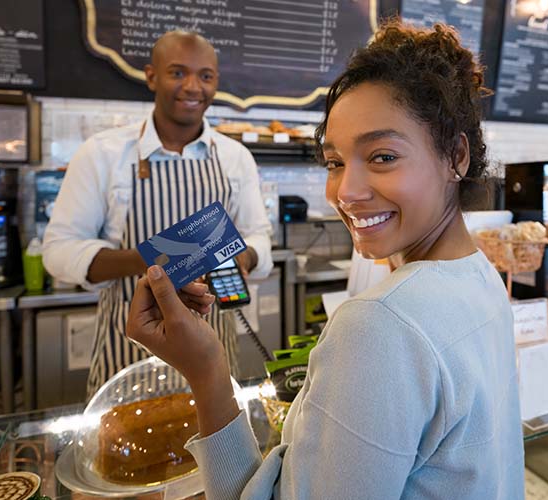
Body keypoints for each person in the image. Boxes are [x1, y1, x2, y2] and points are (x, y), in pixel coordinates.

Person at [126, 21, 524, 499]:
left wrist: (208, 370)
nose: (346, 193)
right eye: (335, 162)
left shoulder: (380, 325)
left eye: (381, 156)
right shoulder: (481, 277)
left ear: (455, 156)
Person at [42, 31, 273, 397]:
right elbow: (58, 251)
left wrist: (242, 255)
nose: (193, 87)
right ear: (151, 76)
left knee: (218, 452)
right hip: (126, 358)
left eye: (206, 76)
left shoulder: (234, 158)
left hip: (213, 351)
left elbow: (259, 237)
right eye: (178, 73)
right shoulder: (103, 153)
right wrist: (150, 260)